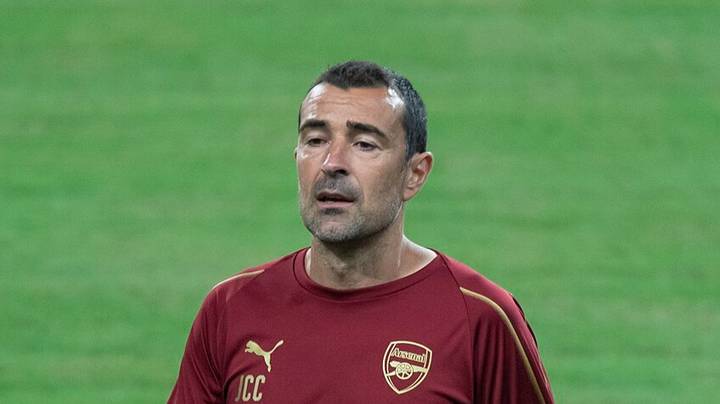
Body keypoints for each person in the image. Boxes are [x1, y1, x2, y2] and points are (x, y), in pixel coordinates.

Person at [168, 60, 554, 403]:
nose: (331, 163)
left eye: (365, 144)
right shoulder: (231, 308)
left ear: (415, 174)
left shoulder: (479, 317)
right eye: (315, 140)